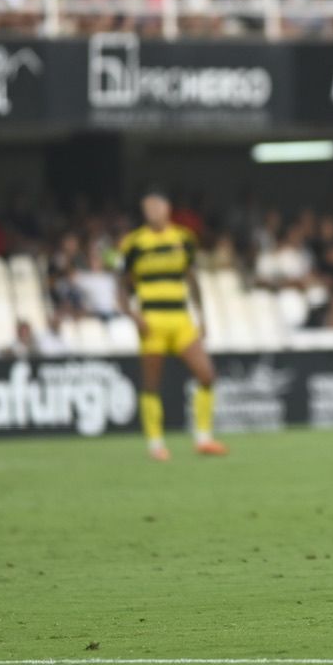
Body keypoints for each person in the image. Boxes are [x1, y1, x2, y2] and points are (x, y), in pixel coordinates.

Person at [117, 190, 228, 462]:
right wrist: (133, 315)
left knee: (206, 375)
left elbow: (192, 279)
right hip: (152, 321)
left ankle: (203, 438)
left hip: (181, 320)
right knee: (152, 384)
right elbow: (120, 286)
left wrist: (202, 316)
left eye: (156, 205)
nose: (152, 211)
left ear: (167, 208)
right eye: (147, 207)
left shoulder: (183, 239)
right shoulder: (134, 243)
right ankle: (156, 444)